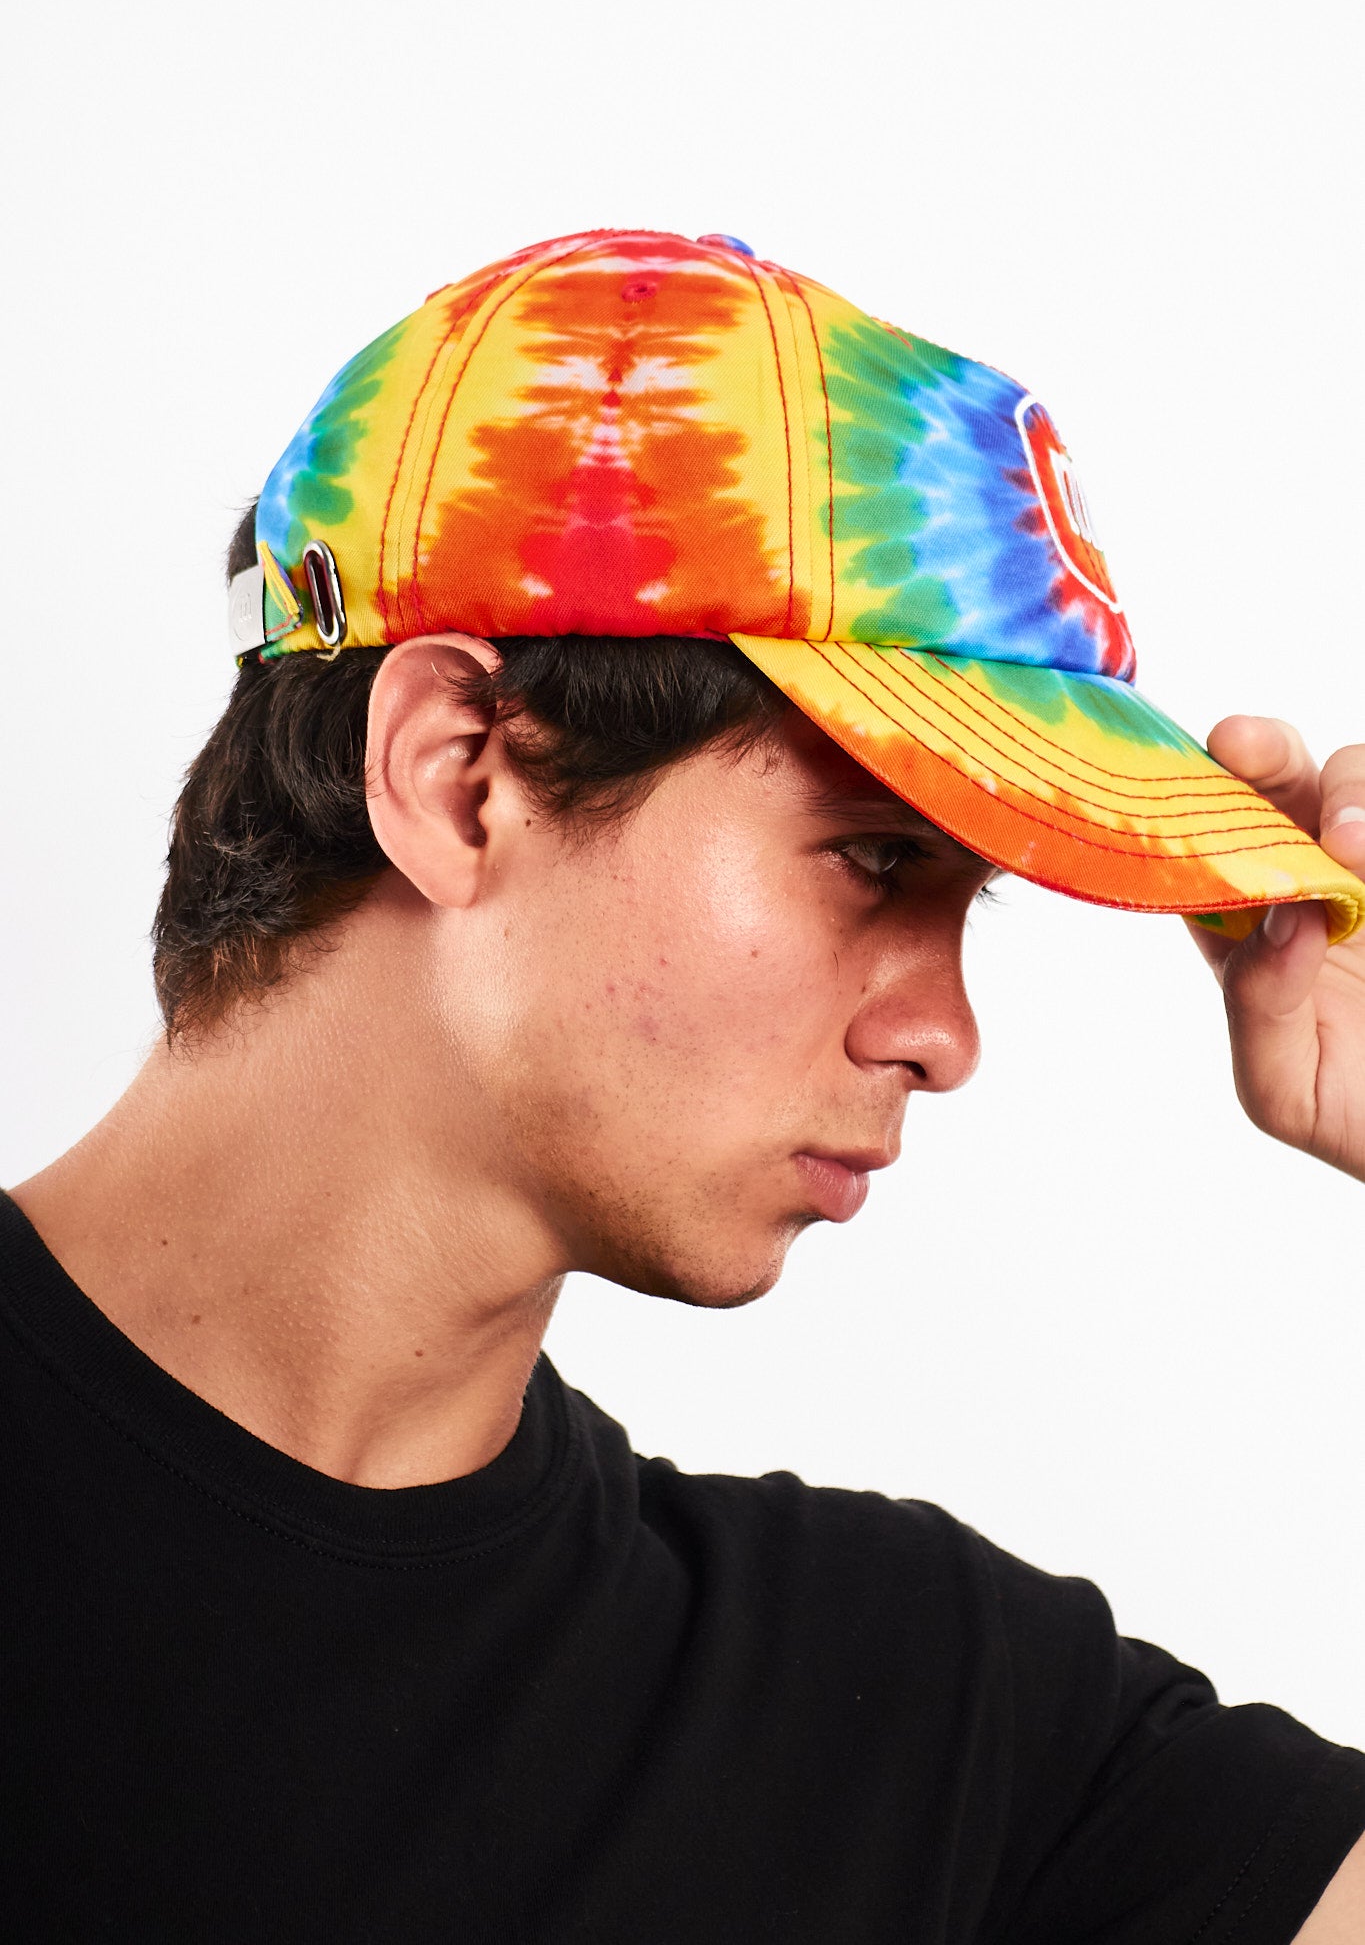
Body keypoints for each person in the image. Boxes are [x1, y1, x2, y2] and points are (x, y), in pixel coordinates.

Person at [5, 228, 1364, 1942]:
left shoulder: (922, 1723)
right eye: (870, 858)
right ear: (458, 775)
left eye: (968, 900)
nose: (946, 1037)